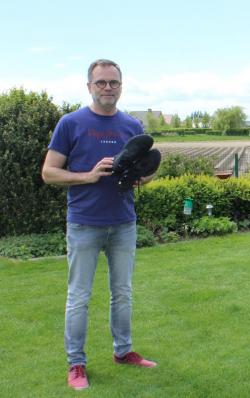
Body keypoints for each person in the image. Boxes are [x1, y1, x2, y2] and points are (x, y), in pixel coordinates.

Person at [42, 59, 157, 390]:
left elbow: (141, 173)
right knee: (79, 296)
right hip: (85, 224)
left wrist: (143, 176)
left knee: (122, 293)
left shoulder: (132, 126)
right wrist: (88, 176)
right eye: (101, 82)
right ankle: (76, 364)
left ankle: (123, 352)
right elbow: (49, 172)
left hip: (123, 223)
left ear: (121, 86)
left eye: (114, 82)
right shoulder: (71, 123)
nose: (108, 87)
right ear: (89, 86)